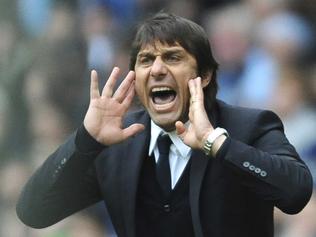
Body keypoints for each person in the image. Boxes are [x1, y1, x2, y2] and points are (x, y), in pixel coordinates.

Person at [16, 12, 312, 237]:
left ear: (205, 75)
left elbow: (296, 193)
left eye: (173, 57)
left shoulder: (249, 126)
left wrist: (218, 144)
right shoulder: (116, 143)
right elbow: (33, 211)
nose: (157, 69)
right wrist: (85, 141)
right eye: (146, 60)